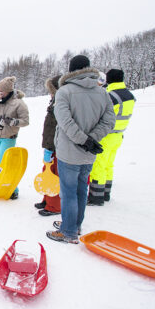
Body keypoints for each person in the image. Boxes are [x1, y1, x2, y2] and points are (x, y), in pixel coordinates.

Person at [46, 55, 115, 244]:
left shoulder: (65, 92)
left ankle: (68, 231)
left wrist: (84, 140)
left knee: (68, 192)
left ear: (71, 70)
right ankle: (74, 224)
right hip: (89, 152)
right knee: (81, 190)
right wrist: (91, 140)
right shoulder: (102, 93)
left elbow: (65, 122)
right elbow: (109, 121)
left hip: (70, 151)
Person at [88, 69, 136, 206]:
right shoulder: (129, 95)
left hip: (106, 135)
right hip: (119, 135)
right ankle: (105, 193)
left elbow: (99, 114)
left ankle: (96, 197)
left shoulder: (111, 96)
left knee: (99, 165)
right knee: (109, 165)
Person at [0, 76, 30, 199]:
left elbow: (25, 121)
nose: (0, 93)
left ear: (9, 91)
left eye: (2, 92)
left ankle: (13, 189)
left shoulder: (18, 103)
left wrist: (13, 121)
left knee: (4, 164)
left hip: (8, 137)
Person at [36, 75, 62, 216]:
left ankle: (54, 206)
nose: (49, 93)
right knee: (46, 171)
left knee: (54, 175)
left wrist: (52, 146)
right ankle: (47, 199)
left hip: (56, 146)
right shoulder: (54, 102)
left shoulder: (61, 103)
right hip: (49, 144)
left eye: (51, 90)